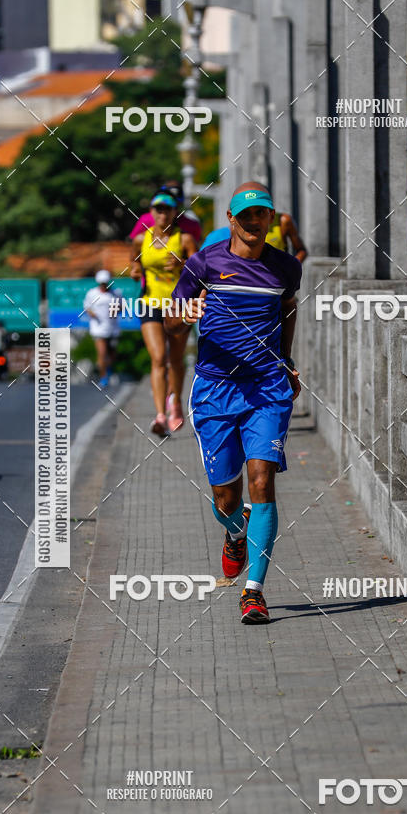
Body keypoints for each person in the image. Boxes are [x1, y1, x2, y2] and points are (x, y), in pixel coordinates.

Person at [170, 181, 301, 624]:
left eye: (260, 214)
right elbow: (171, 318)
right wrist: (184, 317)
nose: (252, 222)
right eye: (245, 215)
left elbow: (288, 308)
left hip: (266, 388)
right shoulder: (204, 263)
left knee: (262, 481)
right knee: (226, 498)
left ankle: (254, 591)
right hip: (214, 391)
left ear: (270, 218)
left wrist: (286, 359)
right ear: (230, 220)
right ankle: (235, 532)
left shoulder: (284, 267)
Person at [131, 190, 198, 435]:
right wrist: (135, 270)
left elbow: (202, 270)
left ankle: (176, 402)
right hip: (150, 303)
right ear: (151, 212)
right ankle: (160, 415)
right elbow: (135, 262)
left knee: (176, 359)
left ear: (174, 213)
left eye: (167, 209)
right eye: (157, 209)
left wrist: (183, 265)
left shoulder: (185, 240)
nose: (162, 213)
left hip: (179, 305)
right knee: (158, 358)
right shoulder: (141, 240)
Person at [201, 210, 308, 262]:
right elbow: (201, 261)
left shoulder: (283, 221)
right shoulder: (220, 235)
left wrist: (290, 269)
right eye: (245, 213)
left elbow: (301, 250)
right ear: (231, 216)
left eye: (259, 212)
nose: (253, 219)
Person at [128, 180, 202, 245]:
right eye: (159, 208)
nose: (163, 214)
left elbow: (196, 254)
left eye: (169, 208)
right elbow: (132, 247)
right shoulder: (146, 220)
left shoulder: (192, 225)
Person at [83, 270, 120, 388]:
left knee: (112, 354)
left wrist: (115, 310)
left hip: (112, 328)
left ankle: (109, 369)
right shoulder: (92, 293)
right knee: (102, 353)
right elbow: (87, 308)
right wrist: (93, 314)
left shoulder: (116, 293)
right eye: (102, 283)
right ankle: (103, 377)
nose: (104, 285)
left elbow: (121, 307)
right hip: (98, 329)